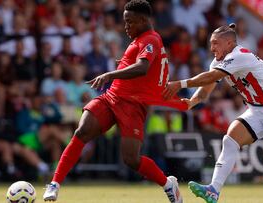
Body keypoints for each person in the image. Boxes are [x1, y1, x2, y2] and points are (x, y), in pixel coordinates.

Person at [43, 1, 186, 202]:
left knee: (131, 160)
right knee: (82, 131)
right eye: (125, 22)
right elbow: (142, 68)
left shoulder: (150, 39)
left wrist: (111, 73)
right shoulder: (141, 39)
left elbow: (143, 67)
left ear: (144, 20)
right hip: (112, 97)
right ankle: (54, 183)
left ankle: (167, 183)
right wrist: (123, 66)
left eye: (130, 22)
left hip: (133, 105)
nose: (126, 26)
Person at [163, 23, 263, 203]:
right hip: (256, 110)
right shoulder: (219, 61)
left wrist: (179, 84)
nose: (212, 48)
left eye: (215, 43)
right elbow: (207, 88)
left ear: (229, 43)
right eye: (210, 43)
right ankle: (213, 190)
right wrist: (193, 101)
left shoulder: (239, 56)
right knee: (229, 140)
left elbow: (211, 77)